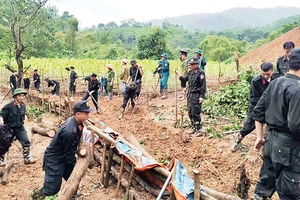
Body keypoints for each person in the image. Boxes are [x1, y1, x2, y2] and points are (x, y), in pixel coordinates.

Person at [252, 48, 300, 200]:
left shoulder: (275, 83)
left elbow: (258, 111)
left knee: (265, 185)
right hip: (288, 147)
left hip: (270, 142)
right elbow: (295, 125)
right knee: (289, 191)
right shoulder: (297, 89)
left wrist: (259, 137)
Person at [41, 100, 95, 198]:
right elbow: (69, 154)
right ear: (78, 114)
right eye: (86, 113)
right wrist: (76, 165)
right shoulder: (69, 131)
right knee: (52, 189)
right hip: (55, 160)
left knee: (72, 178)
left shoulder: (78, 123)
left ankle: (71, 196)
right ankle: (40, 196)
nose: (88, 115)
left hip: (64, 156)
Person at [231, 62, 275, 152]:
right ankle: (237, 140)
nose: (266, 76)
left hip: (272, 106)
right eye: (263, 74)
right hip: (257, 106)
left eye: (268, 74)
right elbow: (255, 99)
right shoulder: (256, 81)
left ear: (272, 71)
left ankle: (266, 148)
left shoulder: (277, 79)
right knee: (248, 126)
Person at [0, 88, 36, 165]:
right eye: (20, 96)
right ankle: (1, 159)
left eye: (23, 96)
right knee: (4, 144)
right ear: (15, 96)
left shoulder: (23, 105)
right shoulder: (9, 106)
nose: (22, 98)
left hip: (20, 128)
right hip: (9, 128)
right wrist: (1, 119)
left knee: (26, 141)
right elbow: (1, 114)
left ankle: (27, 158)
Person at [176, 57, 206, 135]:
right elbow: (184, 80)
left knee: (195, 112)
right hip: (190, 95)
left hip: (196, 95)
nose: (190, 66)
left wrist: (201, 96)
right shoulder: (190, 73)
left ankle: (198, 128)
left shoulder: (200, 73)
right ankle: (193, 127)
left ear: (196, 64)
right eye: (189, 64)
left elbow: (203, 86)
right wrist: (178, 74)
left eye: (191, 64)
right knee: (190, 112)